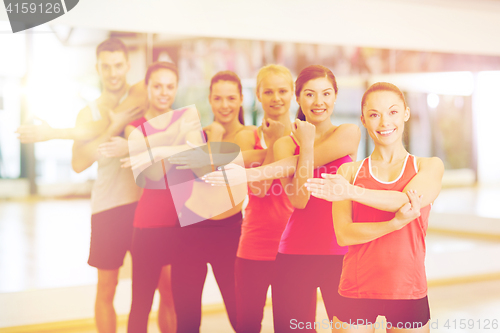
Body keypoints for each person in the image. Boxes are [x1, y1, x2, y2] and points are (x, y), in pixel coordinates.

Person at [305, 82, 444, 332]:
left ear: (406, 114)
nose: (384, 123)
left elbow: (406, 200)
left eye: (392, 112)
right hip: (356, 287)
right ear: (363, 120)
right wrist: (394, 223)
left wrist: (351, 191)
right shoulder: (349, 171)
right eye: (374, 114)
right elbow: (344, 234)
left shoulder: (429, 166)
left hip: (407, 288)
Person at [268, 65, 360, 332]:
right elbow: (299, 200)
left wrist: (305, 149)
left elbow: (305, 171)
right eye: (310, 94)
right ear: (298, 98)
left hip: (341, 253)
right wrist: (305, 146)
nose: (319, 102)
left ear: (335, 96)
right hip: (293, 255)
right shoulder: (284, 145)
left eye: (326, 93)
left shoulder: (348, 133)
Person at [166, 71, 255, 333]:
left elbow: (214, 175)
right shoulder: (197, 134)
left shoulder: (247, 135)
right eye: (218, 98)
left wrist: (214, 136)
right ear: (209, 100)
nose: (224, 105)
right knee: (188, 319)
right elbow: (191, 179)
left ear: (241, 99)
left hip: (228, 232)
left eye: (231, 98)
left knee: (240, 316)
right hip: (188, 229)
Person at [104, 62, 186, 333]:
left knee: (173, 299)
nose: (164, 92)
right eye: (158, 86)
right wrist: (167, 146)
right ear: (148, 88)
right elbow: (149, 169)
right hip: (147, 226)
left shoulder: (184, 124)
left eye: (170, 86)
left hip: (178, 224)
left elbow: (190, 163)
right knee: (142, 302)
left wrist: (140, 148)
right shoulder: (133, 128)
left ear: (176, 89)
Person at [231, 65, 295, 333]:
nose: (276, 98)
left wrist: (280, 140)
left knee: (291, 327)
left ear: (293, 93)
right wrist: (273, 144)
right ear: (258, 94)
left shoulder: (305, 136)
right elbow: (258, 187)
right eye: (268, 91)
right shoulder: (247, 137)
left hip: (293, 249)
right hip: (254, 247)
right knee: (247, 326)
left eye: (282, 90)